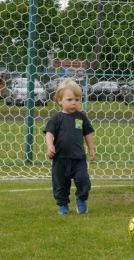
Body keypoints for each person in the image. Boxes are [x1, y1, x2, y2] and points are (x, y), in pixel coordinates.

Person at [43, 79, 95, 215]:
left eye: (77, 100)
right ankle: (63, 204)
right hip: (60, 158)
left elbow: (88, 134)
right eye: (70, 99)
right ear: (59, 101)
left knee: (83, 179)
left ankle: (82, 200)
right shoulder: (56, 118)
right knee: (60, 183)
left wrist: (91, 149)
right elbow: (49, 133)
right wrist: (50, 146)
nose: (74, 103)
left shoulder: (81, 117)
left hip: (78, 158)